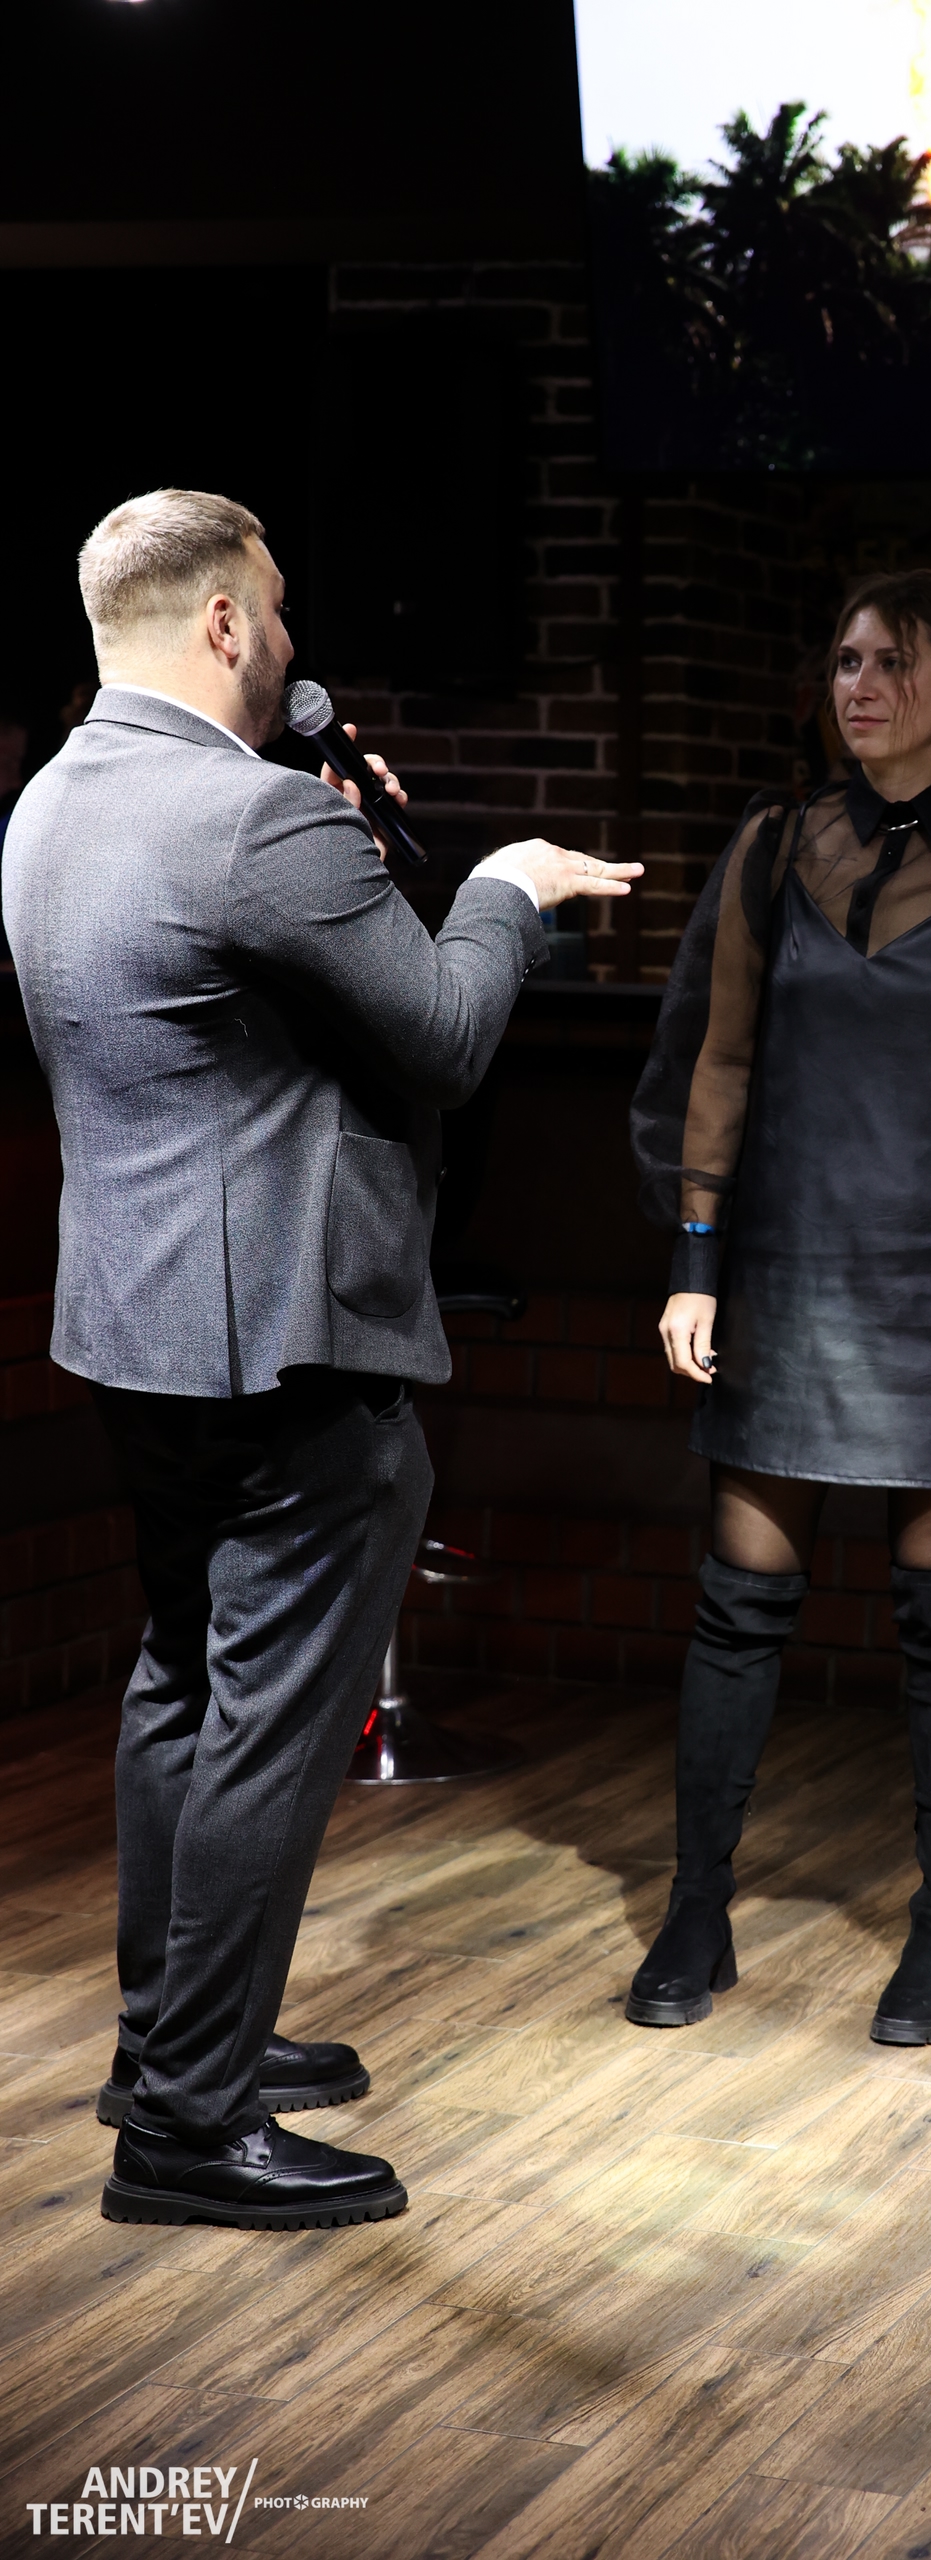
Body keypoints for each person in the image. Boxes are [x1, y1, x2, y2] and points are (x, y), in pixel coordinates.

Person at [2, 489, 638, 2229]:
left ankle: (171, 2045)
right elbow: (442, 1035)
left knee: (184, 1684)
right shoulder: (258, 817)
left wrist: (340, 852)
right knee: (272, 1724)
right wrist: (501, 891)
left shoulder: (54, 799)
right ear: (221, 620)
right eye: (275, 612)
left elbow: (233, 1030)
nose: (292, 643)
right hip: (285, 1342)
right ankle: (186, 2129)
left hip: (134, 1326)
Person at [628, 569, 931, 2045]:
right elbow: (716, 1061)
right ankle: (698, 1907)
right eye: (845, 661)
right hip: (789, 1270)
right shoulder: (773, 844)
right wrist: (696, 1261)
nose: (861, 686)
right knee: (737, 1606)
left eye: (894, 663)